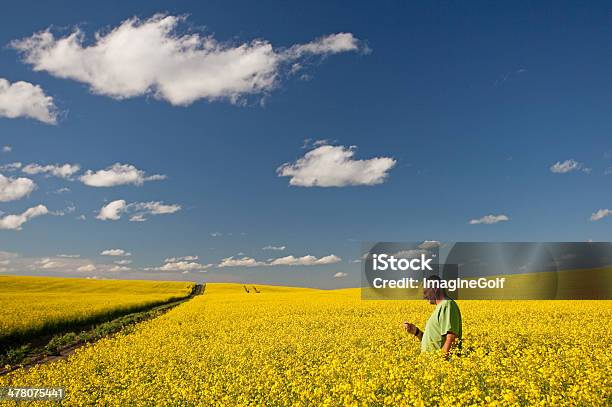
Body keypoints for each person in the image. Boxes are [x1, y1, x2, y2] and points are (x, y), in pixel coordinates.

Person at [402, 275, 462, 356]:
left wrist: (441, 361)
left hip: (440, 365)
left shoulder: (447, 305)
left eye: (425, 292)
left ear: (435, 288)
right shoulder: (440, 307)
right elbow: (433, 342)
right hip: (432, 364)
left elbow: (451, 338)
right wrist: (416, 332)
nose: (424, 297)